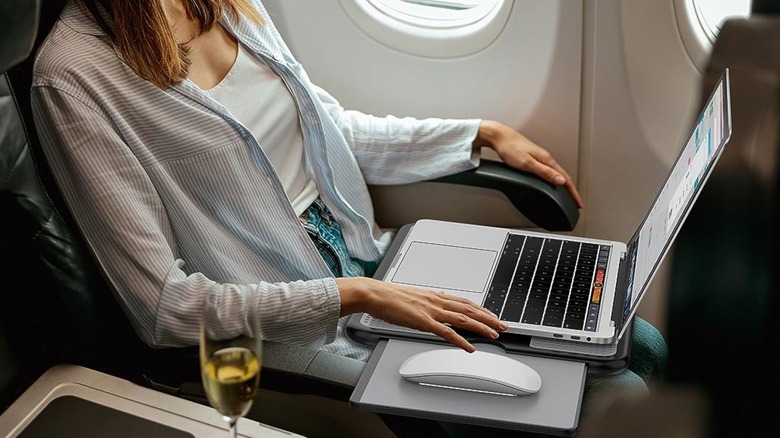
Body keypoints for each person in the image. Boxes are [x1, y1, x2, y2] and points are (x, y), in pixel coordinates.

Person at [31, 0, 666, 435]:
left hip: (377, 262)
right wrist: (351, 295)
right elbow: (164, 308)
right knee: (618, 395)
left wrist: (479, 133)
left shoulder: (226, 5)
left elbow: (331, 132)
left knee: (640, 343)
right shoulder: (73, 76)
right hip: (286, 325)